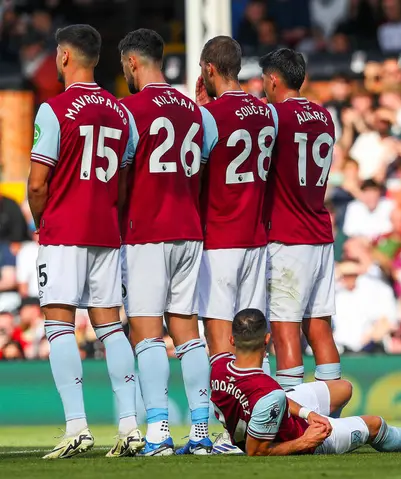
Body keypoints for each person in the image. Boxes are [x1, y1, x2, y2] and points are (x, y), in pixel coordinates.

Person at [27, 24, 141, 459]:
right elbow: (125, 182)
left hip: (65, 230)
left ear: (63, 56)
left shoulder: (53, 110)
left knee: (59, 326)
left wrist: (44, 223)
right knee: (111, 327)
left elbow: (38, 184)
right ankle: (130, 427)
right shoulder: (121, 113)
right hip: (106, 232)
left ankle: (77, 425)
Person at [117, 29, 210, 457]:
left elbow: (119, 178)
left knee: (147, 333)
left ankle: (157, 431)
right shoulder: (197, 113)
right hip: (190, 230)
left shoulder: (128, 110)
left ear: (132, 62)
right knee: (188, 332)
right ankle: (202, 431)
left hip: (147, 232)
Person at [210, 308, 401, 456]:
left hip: (273, 414)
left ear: (232, 340)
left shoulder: (219, 365)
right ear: (267, 340)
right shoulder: (268, 392)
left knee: (343, 388)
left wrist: (308, 412)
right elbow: (257, 453)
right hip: (296, 437)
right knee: (374, 424)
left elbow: (267, 399)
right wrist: (306, 441)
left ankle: (338, 432)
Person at [194, 36, 276, 452]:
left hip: (220, 237)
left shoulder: (209, 116)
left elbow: (198, 176)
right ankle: (260, 414)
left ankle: (224, 429)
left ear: (208, 70)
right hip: (256, 239)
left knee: (220, 337)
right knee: (251, 336)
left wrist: (199, 109)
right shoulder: (266, 112)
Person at [259, 48, 340, 393]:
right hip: (319, 231)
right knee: (319, 327)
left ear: (273, 79)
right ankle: (333, 413)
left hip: (288, 236)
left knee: (284, 329)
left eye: (264, 79)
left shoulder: (274, 116)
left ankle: (291, 414)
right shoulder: (324, 116)